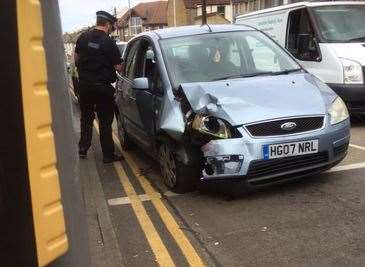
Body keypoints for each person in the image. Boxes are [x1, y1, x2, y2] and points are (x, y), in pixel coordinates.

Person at [74, 11, 123, 163]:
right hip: (102, 88)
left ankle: (83, 149)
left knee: (86, 118)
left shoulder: (83, 37)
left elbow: (76, 59)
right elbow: (119, 67)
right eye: (111, 26)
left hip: (85, 86)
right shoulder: (109, 42)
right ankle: (108, 155)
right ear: (107, 24)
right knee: (105, 122)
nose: (111, 29)